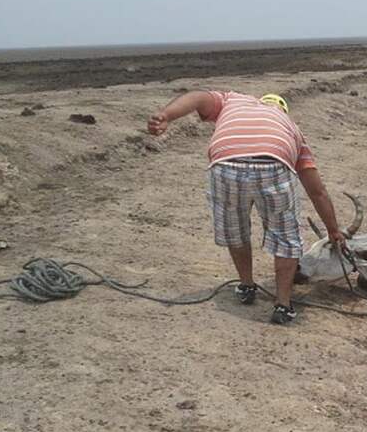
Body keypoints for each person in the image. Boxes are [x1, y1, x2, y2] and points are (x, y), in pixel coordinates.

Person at [147, 91, 345, 325]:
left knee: (235, 230)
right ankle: (283, 305)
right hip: (273, 162)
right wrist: (333, 231)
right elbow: (317, 192)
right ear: (282, 110)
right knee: (285, 238)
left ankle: (247, 286)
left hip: (225, 163)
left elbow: (198, 97)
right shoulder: (293, 129)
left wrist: (166, 115)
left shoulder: (232, 99)